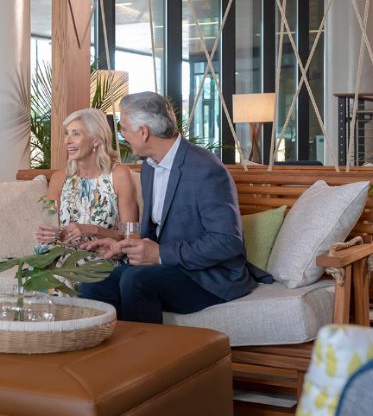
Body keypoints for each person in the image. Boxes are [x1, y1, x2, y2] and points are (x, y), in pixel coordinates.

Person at [81, 92, 272, 323]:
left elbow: (227, 242)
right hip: (167, 268)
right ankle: (107, 356)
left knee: (136, 280)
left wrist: (159, 254)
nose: (121, 135)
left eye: (124, 129)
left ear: (143, 132)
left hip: (207, 275)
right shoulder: (149, 167)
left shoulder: (205, 169)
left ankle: (147, 358)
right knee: (94, 277)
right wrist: (123, 247)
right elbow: (155, 235)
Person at [34, 108, 139, 248]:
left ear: (96, 140)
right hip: (64, 259)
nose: (67, 141)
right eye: (66, 134)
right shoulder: (57, 179)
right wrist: (48, 234)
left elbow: (131, 237)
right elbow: (49, 224)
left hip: (105, 260)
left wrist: (93, 230)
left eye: (76, 134)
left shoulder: (120, 175)